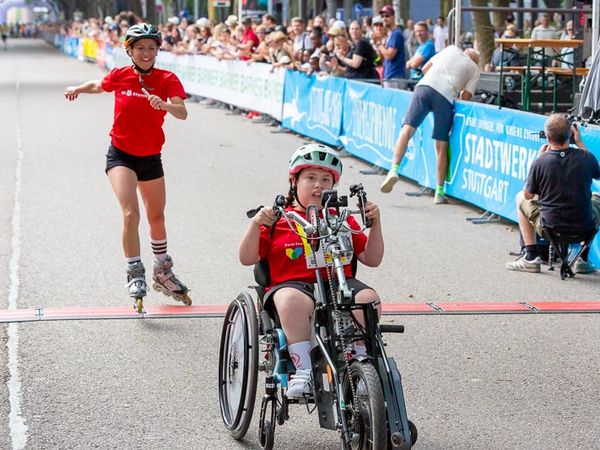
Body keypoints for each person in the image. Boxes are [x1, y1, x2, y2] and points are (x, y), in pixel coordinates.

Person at [238, 144, 384, 397]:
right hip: (292, 286)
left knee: (368, 299)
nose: (319, 185)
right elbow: (246, 257)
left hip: (338, 283)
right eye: (311, 178)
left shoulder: (341, 219)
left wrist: (376, 223)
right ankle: (302, 369)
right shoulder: (278, 219)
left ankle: (359, 360)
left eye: (326, 180)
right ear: (294, 182)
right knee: (293, 300)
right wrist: (255, 224)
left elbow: (372, 258)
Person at [64, 24, 192, 305]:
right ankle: (135, 271)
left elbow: (182, 112)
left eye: (151, 48)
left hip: (151, 157)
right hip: (121, 155)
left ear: (157, 50)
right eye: (140, 48)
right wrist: (78, 88)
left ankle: (163, 270)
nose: (146, 53)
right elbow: (99, 85)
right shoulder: (121, 74)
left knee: (156, 217)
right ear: (130, 51)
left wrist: (166, 106)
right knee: (130, 213)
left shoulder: (167, 78)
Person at [379, 45, 481, 203]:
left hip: (425, 86)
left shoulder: (451, 49)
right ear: (476, 60)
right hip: (446, 96)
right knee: (441, 146)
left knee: (407, 130)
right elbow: (466, 96)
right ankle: (439, 191)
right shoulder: (474, 69)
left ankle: (393, 169)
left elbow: (426, 68)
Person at [505, 114, 600, 273]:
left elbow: (528, 195)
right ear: (571, 134)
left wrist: (539, 160)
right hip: (584, 227)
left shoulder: (540, 162)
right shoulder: (586, 157)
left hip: (549, 228)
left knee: (520, 197)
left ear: (548, 138)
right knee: (596, 198)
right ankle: (582, 258)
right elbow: (597, 173)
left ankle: (530, 256)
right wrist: (580, 143)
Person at [376, 5, 406, 84]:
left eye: (387, 16)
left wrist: (379, 44)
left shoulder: (396, 34)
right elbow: (382, 57)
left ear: (393, 17)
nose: (384, 18)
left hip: (395, 77)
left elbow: (389, 55)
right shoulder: (390, 34)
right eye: (382, 16)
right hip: (389, 75)